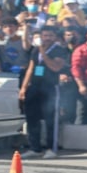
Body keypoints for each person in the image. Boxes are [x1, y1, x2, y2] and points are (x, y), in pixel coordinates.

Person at [18, 26, 69, 158]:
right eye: (45, 35)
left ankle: (51, 148)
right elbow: (31, 68)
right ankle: (35, 148)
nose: (47, 38)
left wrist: (43, 51)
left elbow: (55, 66)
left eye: (50, 36)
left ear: (55, 37)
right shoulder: (35, 50)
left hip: (50, 87)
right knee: (32, 117)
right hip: (35, 86)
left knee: (50, 118)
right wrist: (24, 88)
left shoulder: (59, 50)